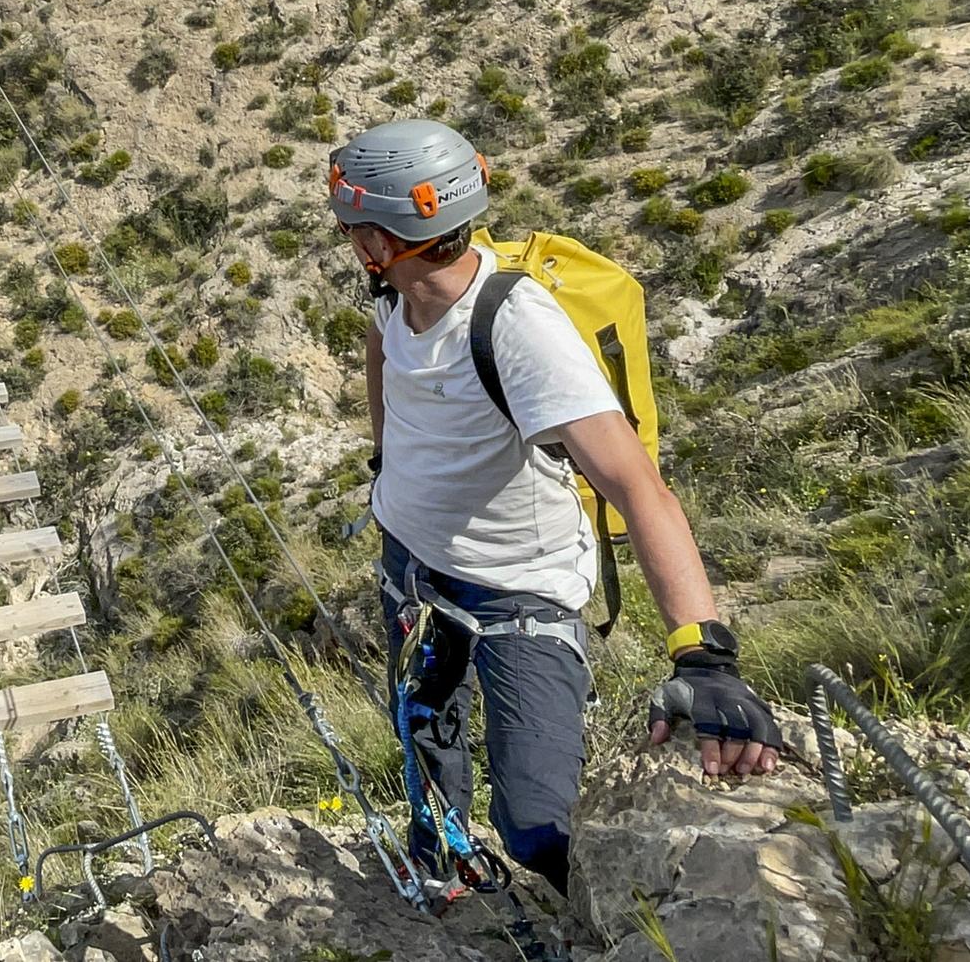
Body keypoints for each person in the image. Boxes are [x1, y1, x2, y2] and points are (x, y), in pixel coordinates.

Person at [328, 118, 780, 899]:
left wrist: (702, 655)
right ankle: (443, 869)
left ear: (383, 241)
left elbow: (640, 488)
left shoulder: (517, 328)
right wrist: (386, 462)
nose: (348, 244)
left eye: (352, 229)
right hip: (411, 563)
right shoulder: (393, 300)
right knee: (425, 729)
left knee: (537, 823)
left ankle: (608, 925)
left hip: (515, 590)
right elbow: (383, 350)